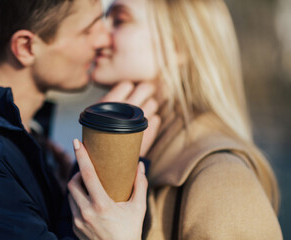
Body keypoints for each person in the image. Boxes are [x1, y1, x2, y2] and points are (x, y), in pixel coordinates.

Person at [0, 0, 160, 239]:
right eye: (88, 29)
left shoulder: (12, 134)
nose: (104, 39)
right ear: (26, 47)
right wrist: (113, 167)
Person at [89, 0, 284, 239]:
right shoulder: (149, 151)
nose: (97, 35)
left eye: (119, 20)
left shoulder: (223, 180)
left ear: (177, 45)